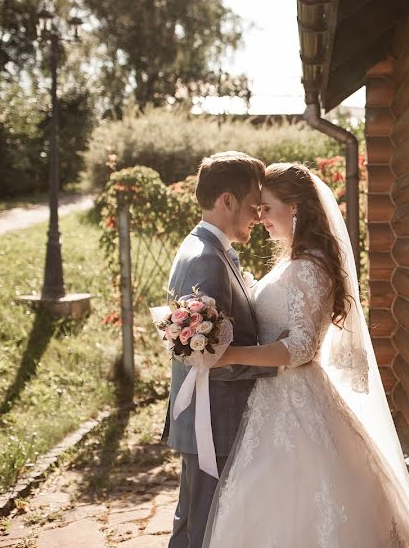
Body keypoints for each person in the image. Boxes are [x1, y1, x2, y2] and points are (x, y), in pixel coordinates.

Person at [201, 163, 409, 547]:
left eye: (267, 208)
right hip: (270, 401)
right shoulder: (292, 262)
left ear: (296, 208)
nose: (259, 218)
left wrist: (227, 355)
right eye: (256, 210)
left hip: (297, 401)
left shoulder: (311, 268)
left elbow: (301, 349)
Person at [164, 151, 277, 548]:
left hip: (210, 416)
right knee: (205, 527)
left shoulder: (205, 248)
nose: (258, 217)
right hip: (214, 419)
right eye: (252, 206)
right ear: (226, 200)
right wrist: (282, 363)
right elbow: (208, 359)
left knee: (195, 523)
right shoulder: (206, 260)